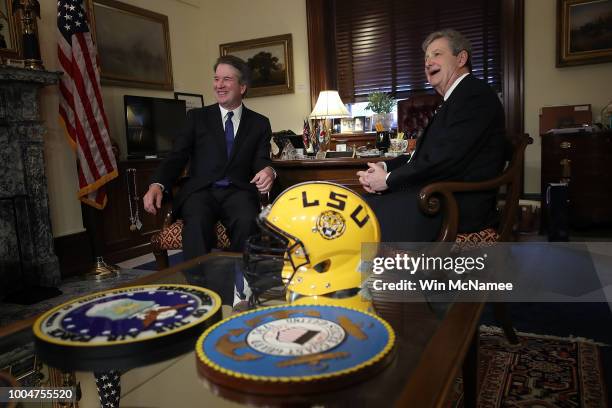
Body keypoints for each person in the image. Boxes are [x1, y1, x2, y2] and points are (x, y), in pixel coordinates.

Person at [143, 55, 275, 309]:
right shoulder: (197, 118)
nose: (219, 85)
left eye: (227, 79)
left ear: (242, 87)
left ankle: (240, 291)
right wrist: (157, 183)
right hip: (201, 191)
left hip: (238, 191)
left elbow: (262, 159)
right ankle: (198, 295)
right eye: (216, 79)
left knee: (248, 220)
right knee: (197, 220)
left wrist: (268, 170)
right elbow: (177, 155)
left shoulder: (259, 123)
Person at [357, 29, 508, 242]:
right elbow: (422, 156)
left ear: (461, 58)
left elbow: (446, 159)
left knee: (359, 214)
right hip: (436, 197)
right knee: (358, 206)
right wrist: (385, 167)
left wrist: (389, 180)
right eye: (426, 57)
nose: (428, 63)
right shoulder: (454, 99)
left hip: (456, 206)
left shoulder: (474, 94)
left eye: (437, 54)